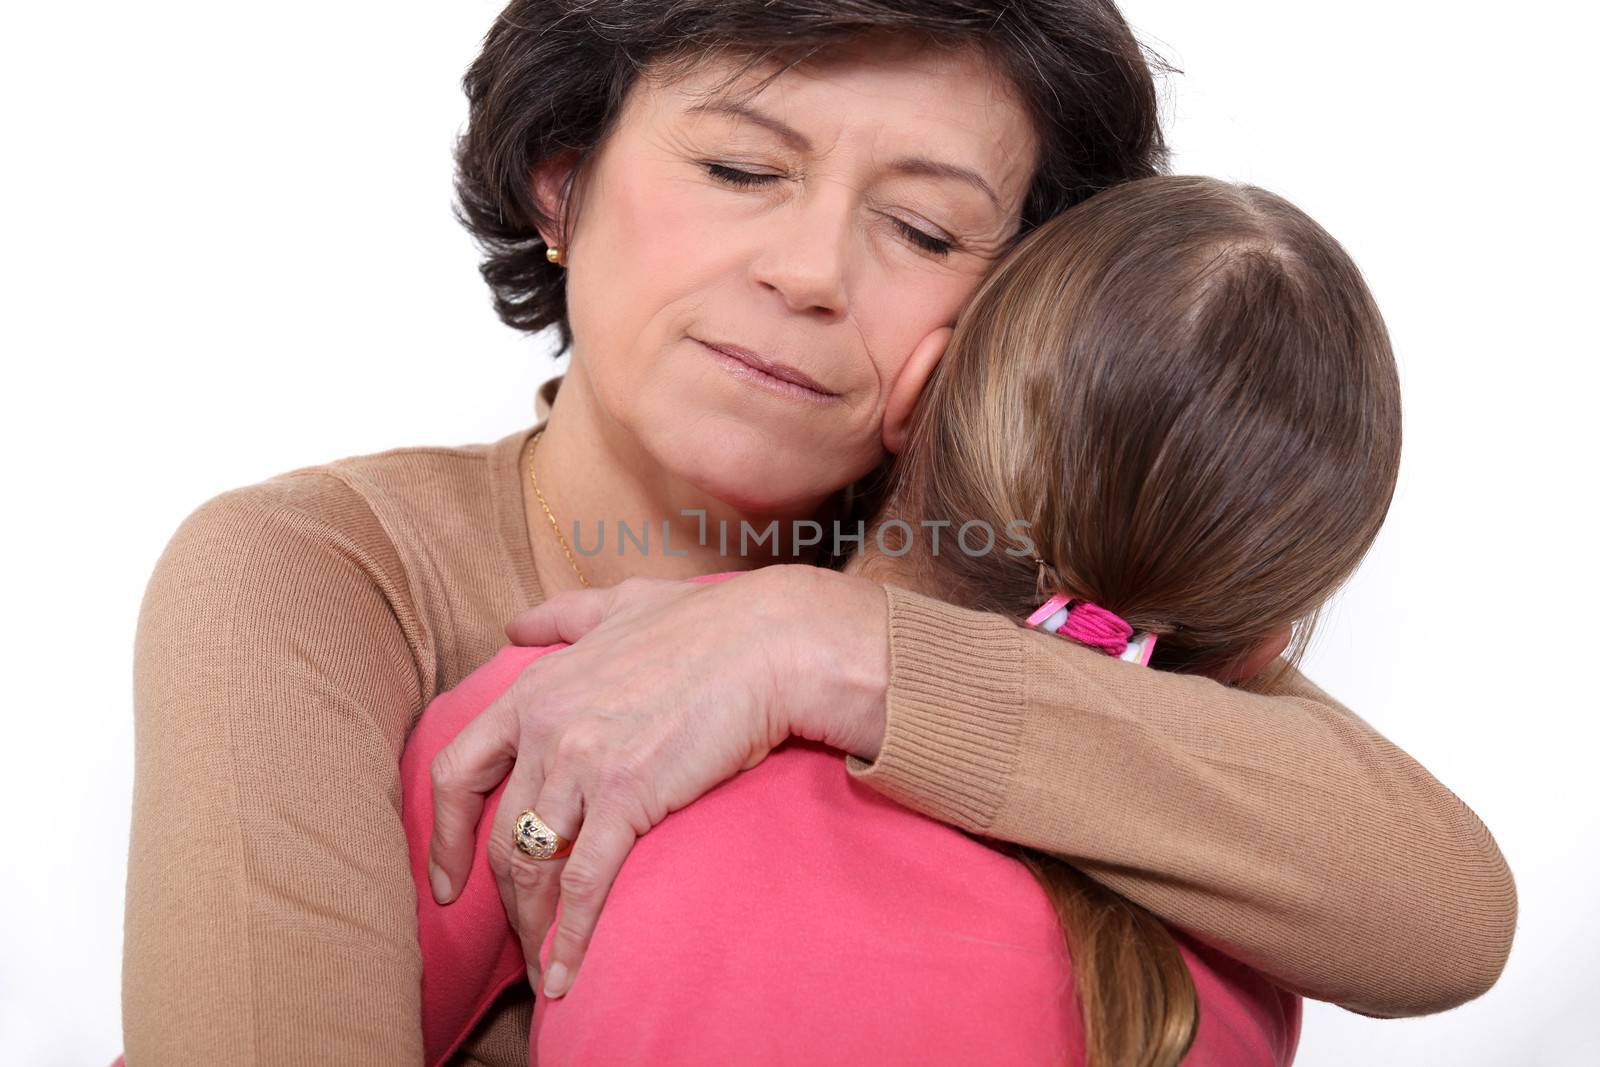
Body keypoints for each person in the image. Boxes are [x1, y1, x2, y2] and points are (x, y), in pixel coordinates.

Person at [120, 3, 1515, 1064]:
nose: (806, 272)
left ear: (1003, 316)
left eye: (918, 228)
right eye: (740, 167)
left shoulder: (1032, 567)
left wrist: (834, 644)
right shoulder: (318, 570)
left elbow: (1442, 907)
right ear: (563, 180)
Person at [401, 173, 1401, 1067]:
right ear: (1269, 642)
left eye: (922, 229)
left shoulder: (582, 703)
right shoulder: (1266, 926)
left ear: (917, 394)